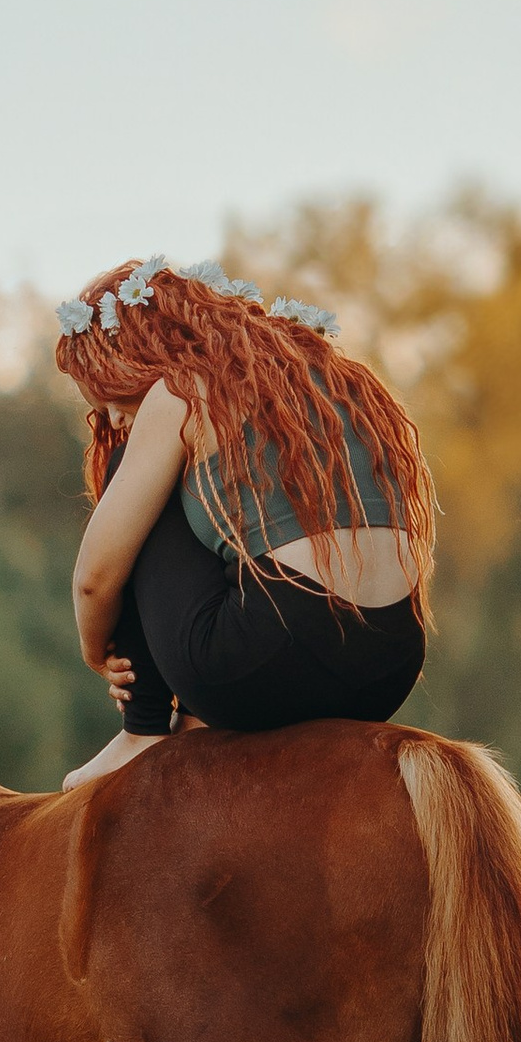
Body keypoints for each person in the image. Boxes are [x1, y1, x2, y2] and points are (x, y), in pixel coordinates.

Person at [53, 254, 434, 792]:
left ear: (142, 353)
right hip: (390, 663)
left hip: (270, 658)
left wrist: (99, 655)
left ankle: (142, 731)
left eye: (109, 391)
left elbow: (96, 578)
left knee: (130, 472)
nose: (111, 417)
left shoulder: (178, 391)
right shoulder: (333, 375)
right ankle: (195, 719)